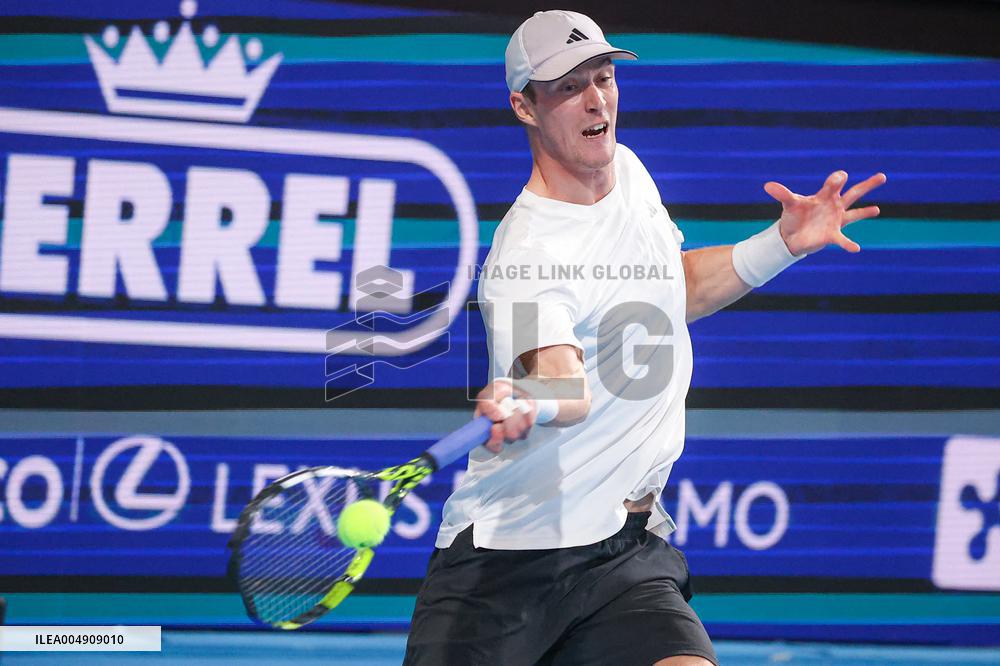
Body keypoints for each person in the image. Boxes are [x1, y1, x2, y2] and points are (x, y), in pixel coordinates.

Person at [404, 10, 885, 666]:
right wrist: (531, 399)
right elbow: (562, 385)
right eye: (570, 86)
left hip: (625, 552)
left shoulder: (628, 174)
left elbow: (666, 294)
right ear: (525, 106)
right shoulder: (527, 254)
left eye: (603, 78)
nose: (596, 97)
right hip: (508, 567)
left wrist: (782, 245)